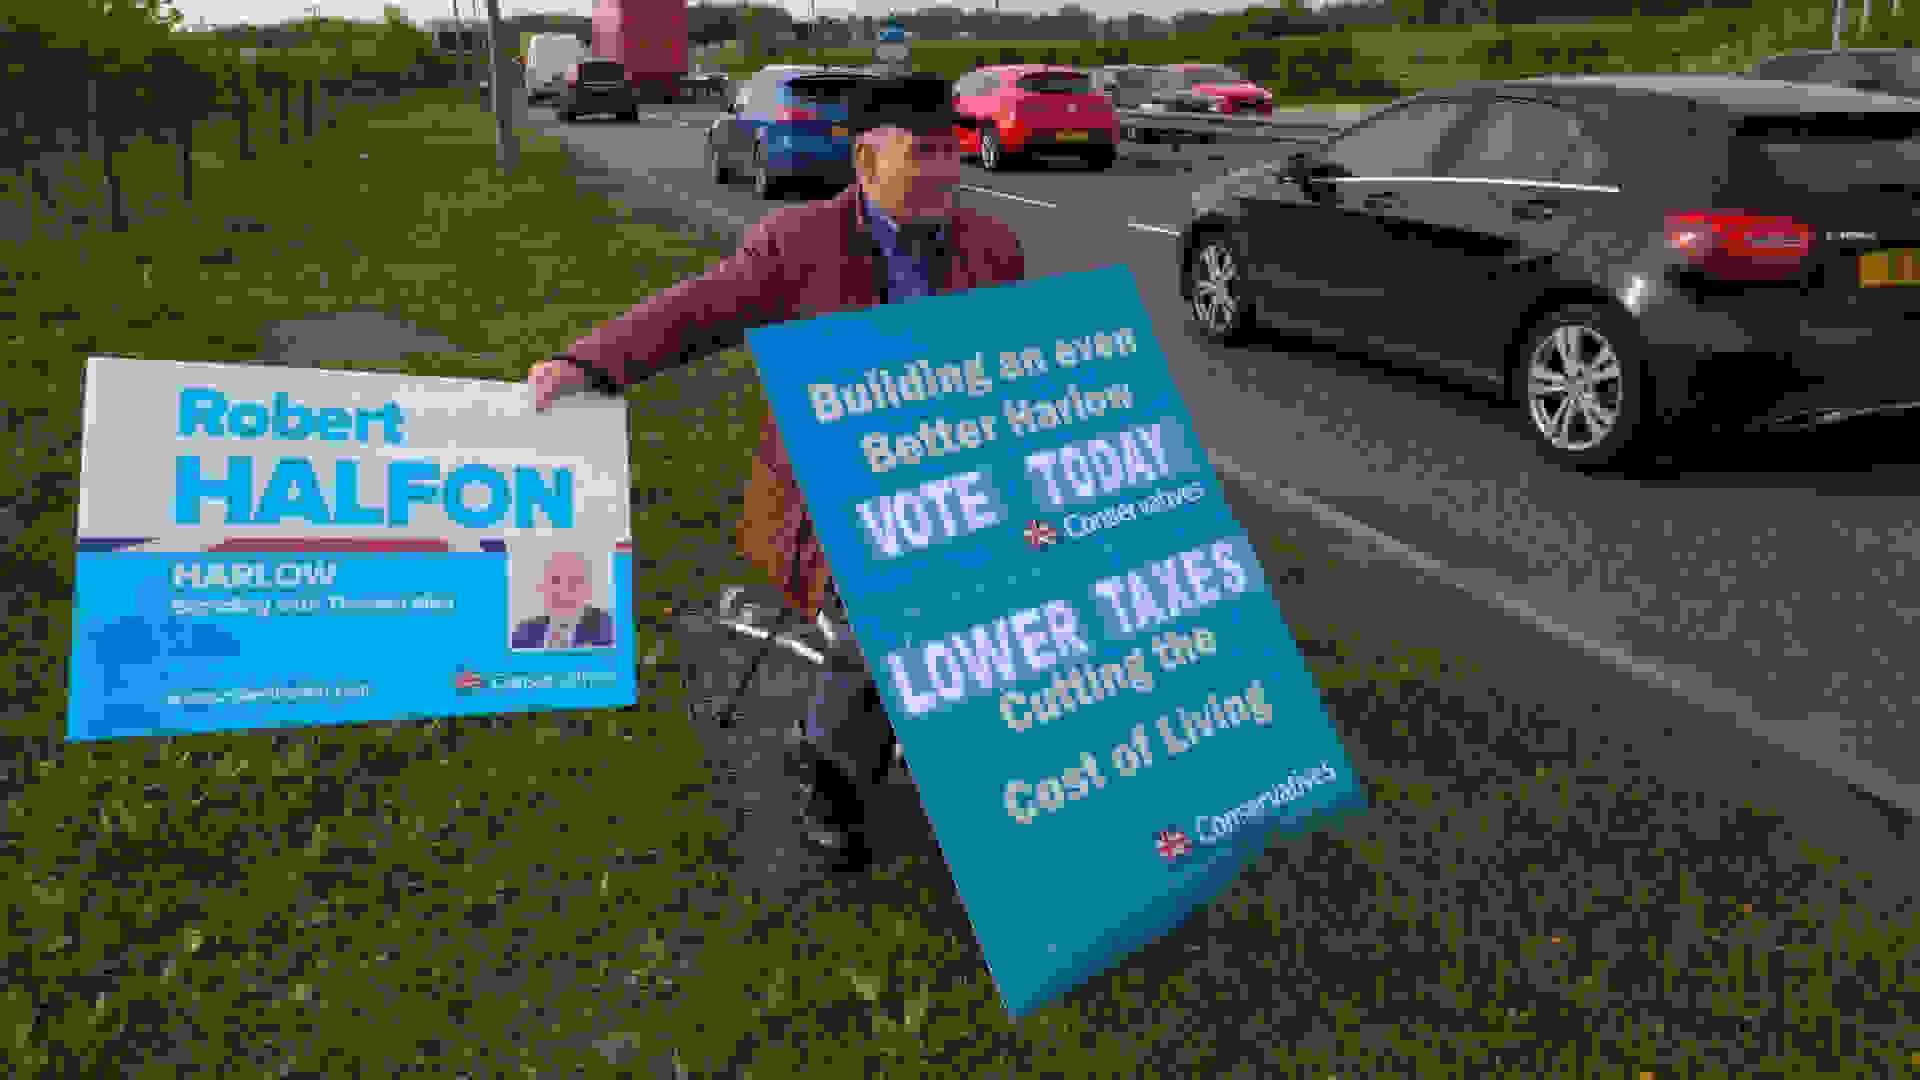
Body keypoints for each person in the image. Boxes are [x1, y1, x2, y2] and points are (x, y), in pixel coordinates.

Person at [528, 73, 1027, 871]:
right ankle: (825, 769)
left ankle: (980, 758)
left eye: (953, 150)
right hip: (832, 499)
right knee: (882, 622)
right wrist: (587, 363)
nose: (946, 171)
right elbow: (697, 311)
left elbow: (1022, 368)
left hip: (958, 484)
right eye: (923, 152)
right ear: (866, 158)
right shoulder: (799, 244)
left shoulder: (994, 249)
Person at [511, 550, 617, 650]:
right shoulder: (524, 633)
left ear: (588, 589)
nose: (563, 590)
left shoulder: (609, 630)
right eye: (555, 580)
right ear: (542, 587)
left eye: (574, 581)